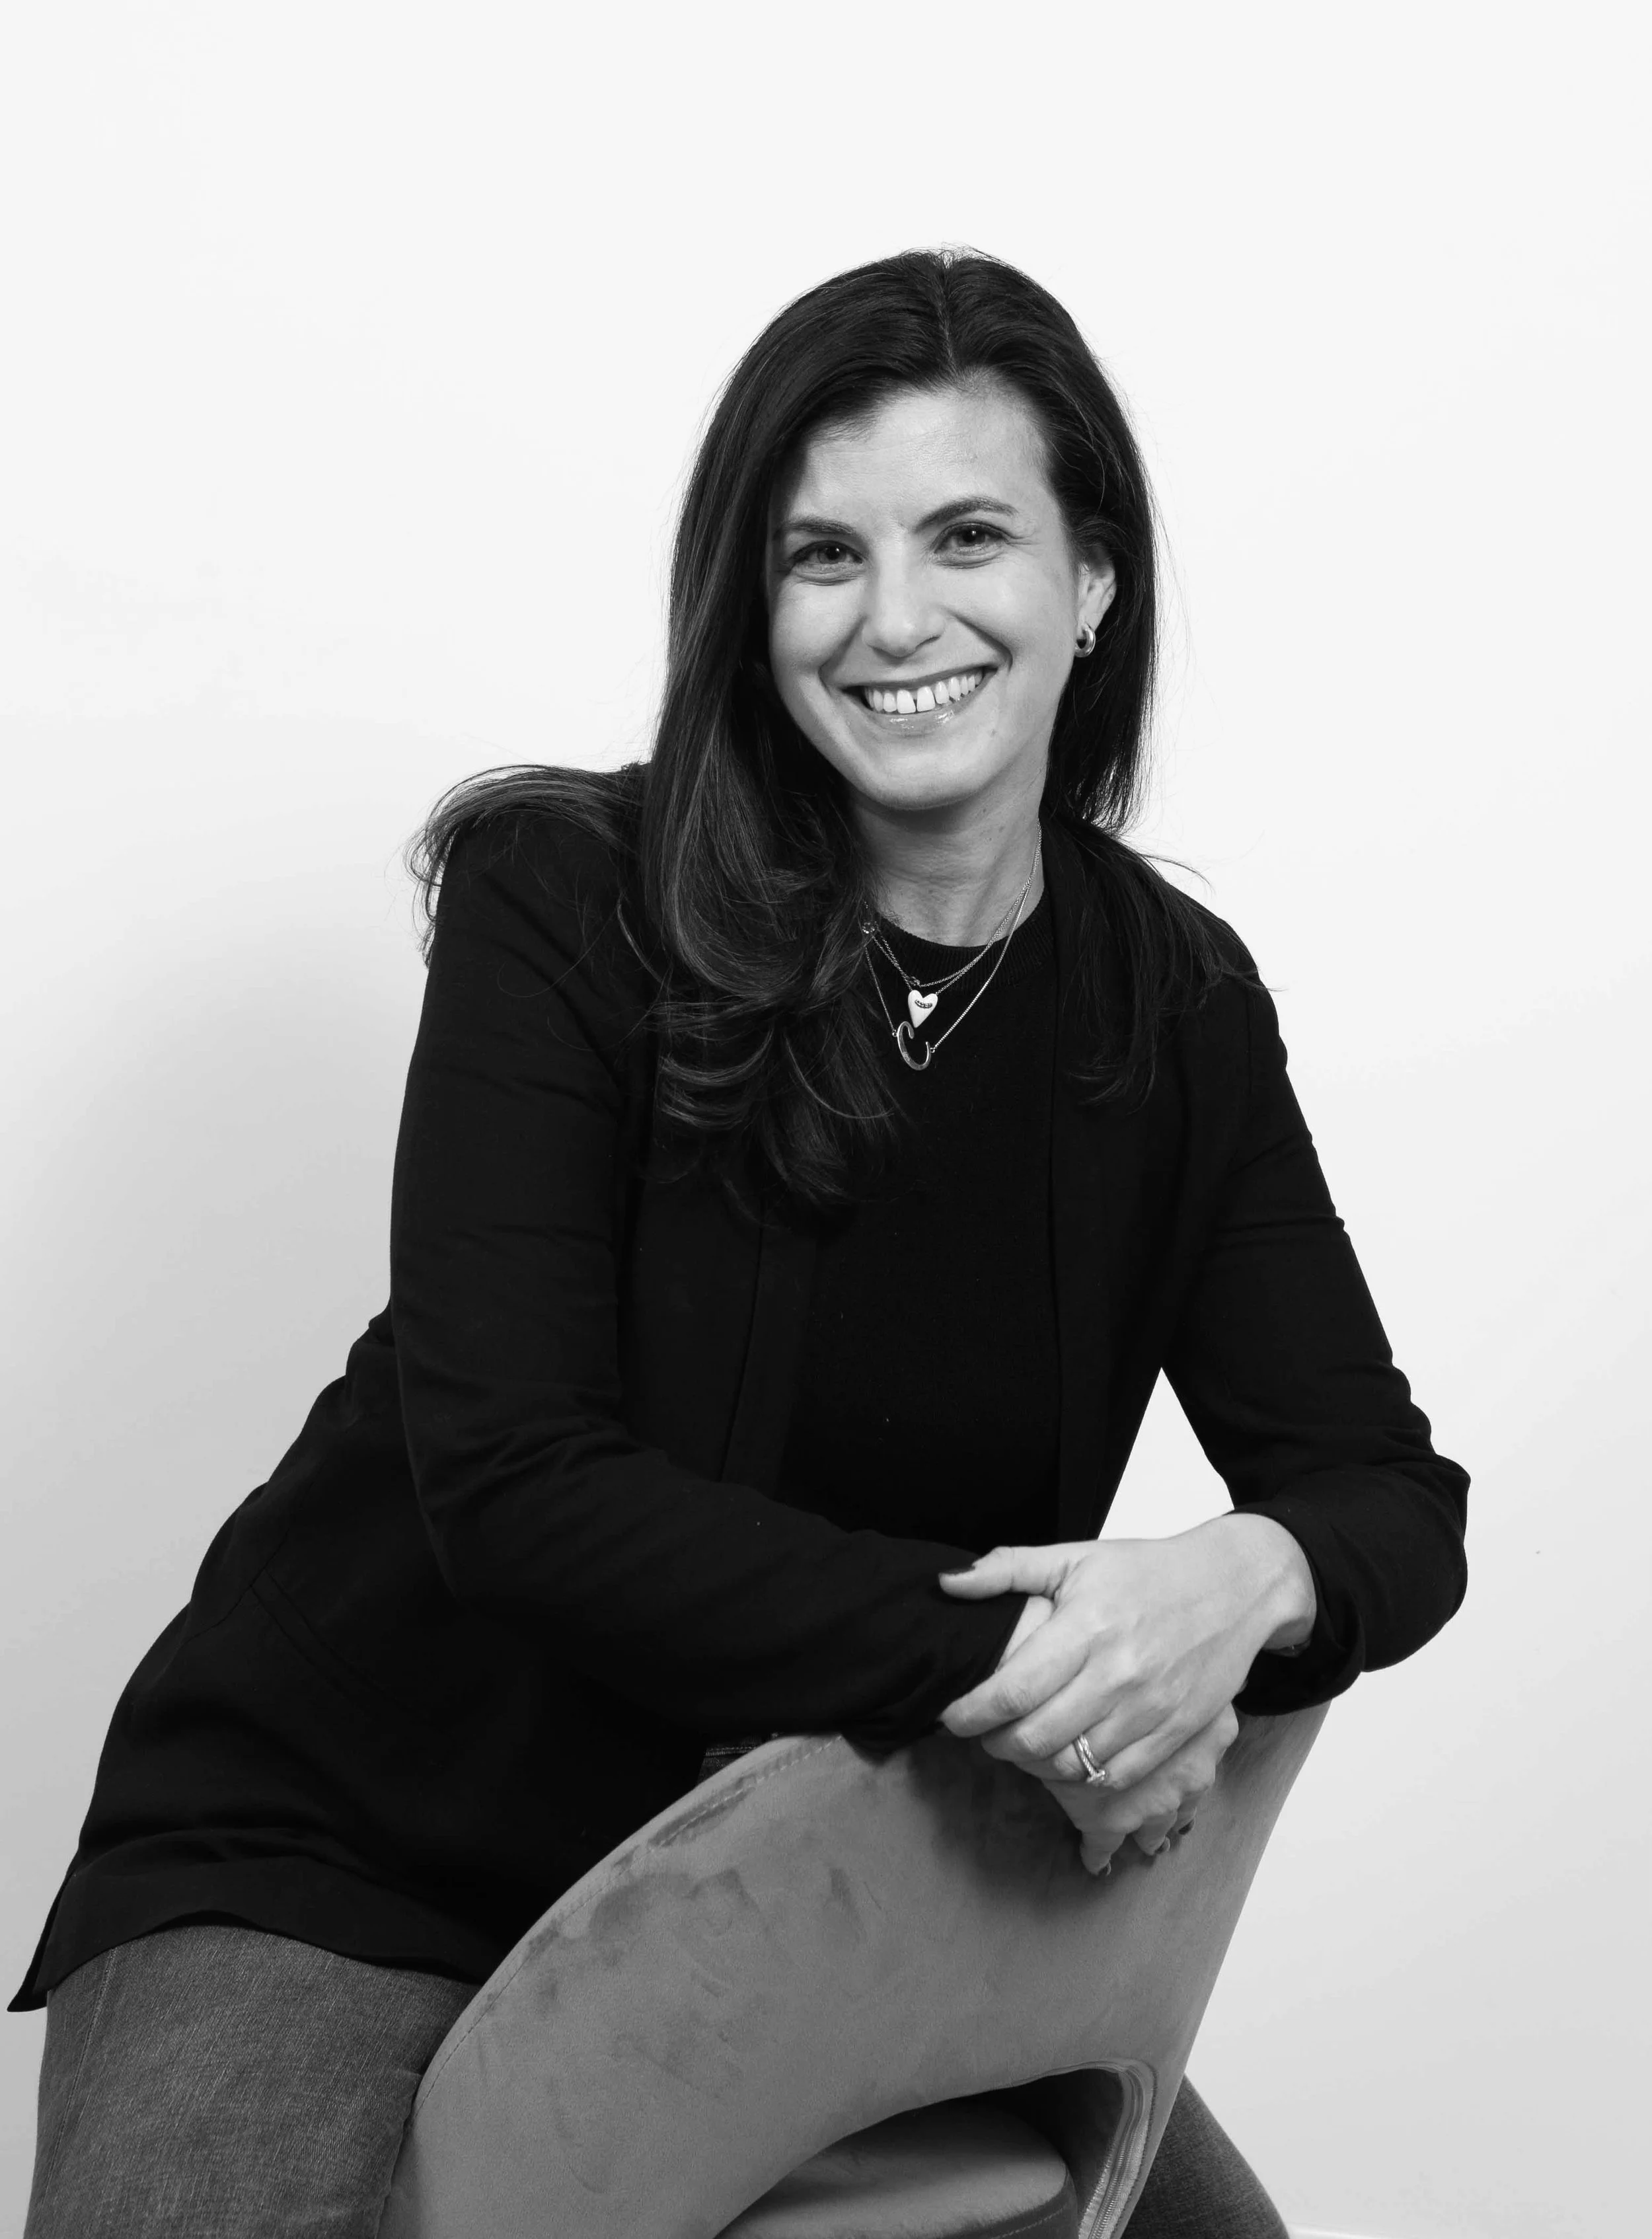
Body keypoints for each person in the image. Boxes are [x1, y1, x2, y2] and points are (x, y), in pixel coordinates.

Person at [14, 248, 1468, 2237]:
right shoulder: (564, 900)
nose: (896, 620)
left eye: (970, 535)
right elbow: (519, 1493)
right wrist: (1033, 1659)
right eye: (819, 557)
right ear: (747, 602)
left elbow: (1387, 1494)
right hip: (352, 1853)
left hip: (813, 1880)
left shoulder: (1169, 1005)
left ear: (1092, 584)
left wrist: (1242, 1573)